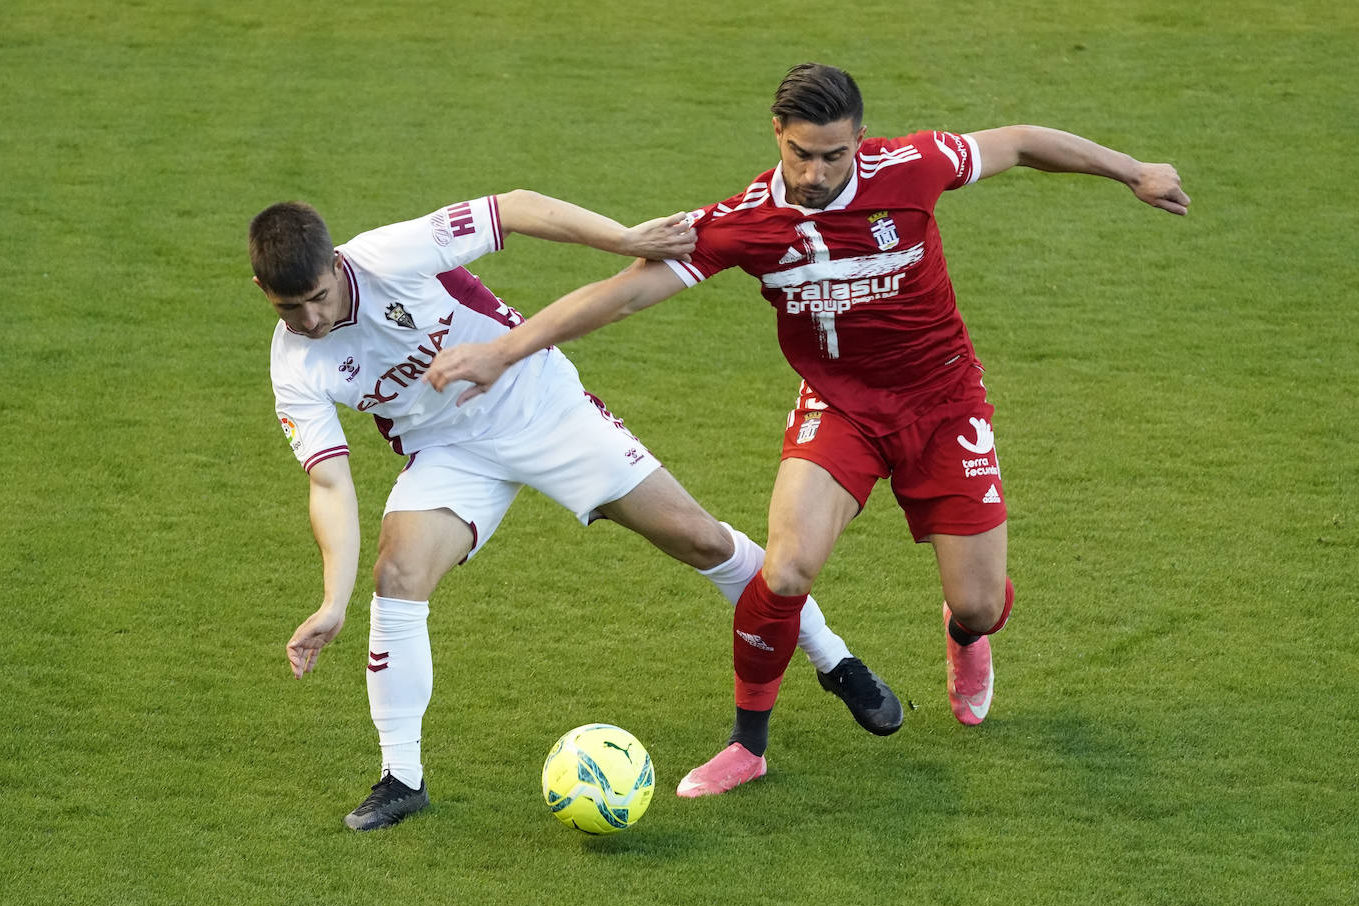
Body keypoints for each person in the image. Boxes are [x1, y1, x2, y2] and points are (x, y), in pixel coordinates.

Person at [422, 63, 1191, 798]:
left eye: (834, 155)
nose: (818, 173)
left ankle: (966, 633)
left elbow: (1019, 141)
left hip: (944, 403)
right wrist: (501, 350)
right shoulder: (745, 223)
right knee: (785, 569)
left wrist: (1133, 169)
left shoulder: (915, 167)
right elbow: (621, 297)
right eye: (801, 154)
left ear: (860, 139)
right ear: (775, 135)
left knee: (982, 603)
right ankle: (746, 746)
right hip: (840, 407)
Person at [248, 188, 903, 830]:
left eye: (318, 299)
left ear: (337, 266)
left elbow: (514, 208)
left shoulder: (390, 255)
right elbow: (330, 484)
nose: (310, 320)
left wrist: (625, 239)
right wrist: (333, 601)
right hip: (449, 451)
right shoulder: (294, 364)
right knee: (397, 578)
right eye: (289, 308)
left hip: (538, 404)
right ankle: (402, 779)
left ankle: (834, 659)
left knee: (699, 540)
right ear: (263, 292)